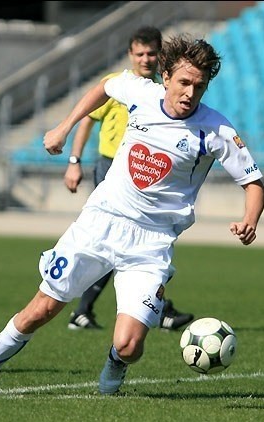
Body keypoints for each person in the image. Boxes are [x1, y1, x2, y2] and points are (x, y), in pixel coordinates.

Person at [0, 35, 264, 396]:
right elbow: (104, 87)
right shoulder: (139, 92)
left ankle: (114, 364)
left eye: (199, 86)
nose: (190, 92)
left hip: (152, 242)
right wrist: (64, 127)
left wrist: (249, 220)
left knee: (129, 346)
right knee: (41, 308)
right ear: (166, 76)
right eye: (184, 82)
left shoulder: (216, 130)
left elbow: (253, 182)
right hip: (99, 223)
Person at [63, 25, 194, 331]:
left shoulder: (165, 93)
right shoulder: (121, 86)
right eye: (140, 54)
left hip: (147, 174)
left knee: (141, 242)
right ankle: (152, 310)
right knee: (118, 242)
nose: (146, 59)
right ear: (130, 55)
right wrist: (74, 161)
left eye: (152, 53)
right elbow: (86, 120)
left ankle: (152, 308)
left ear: (161, 56)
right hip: (112, 168)